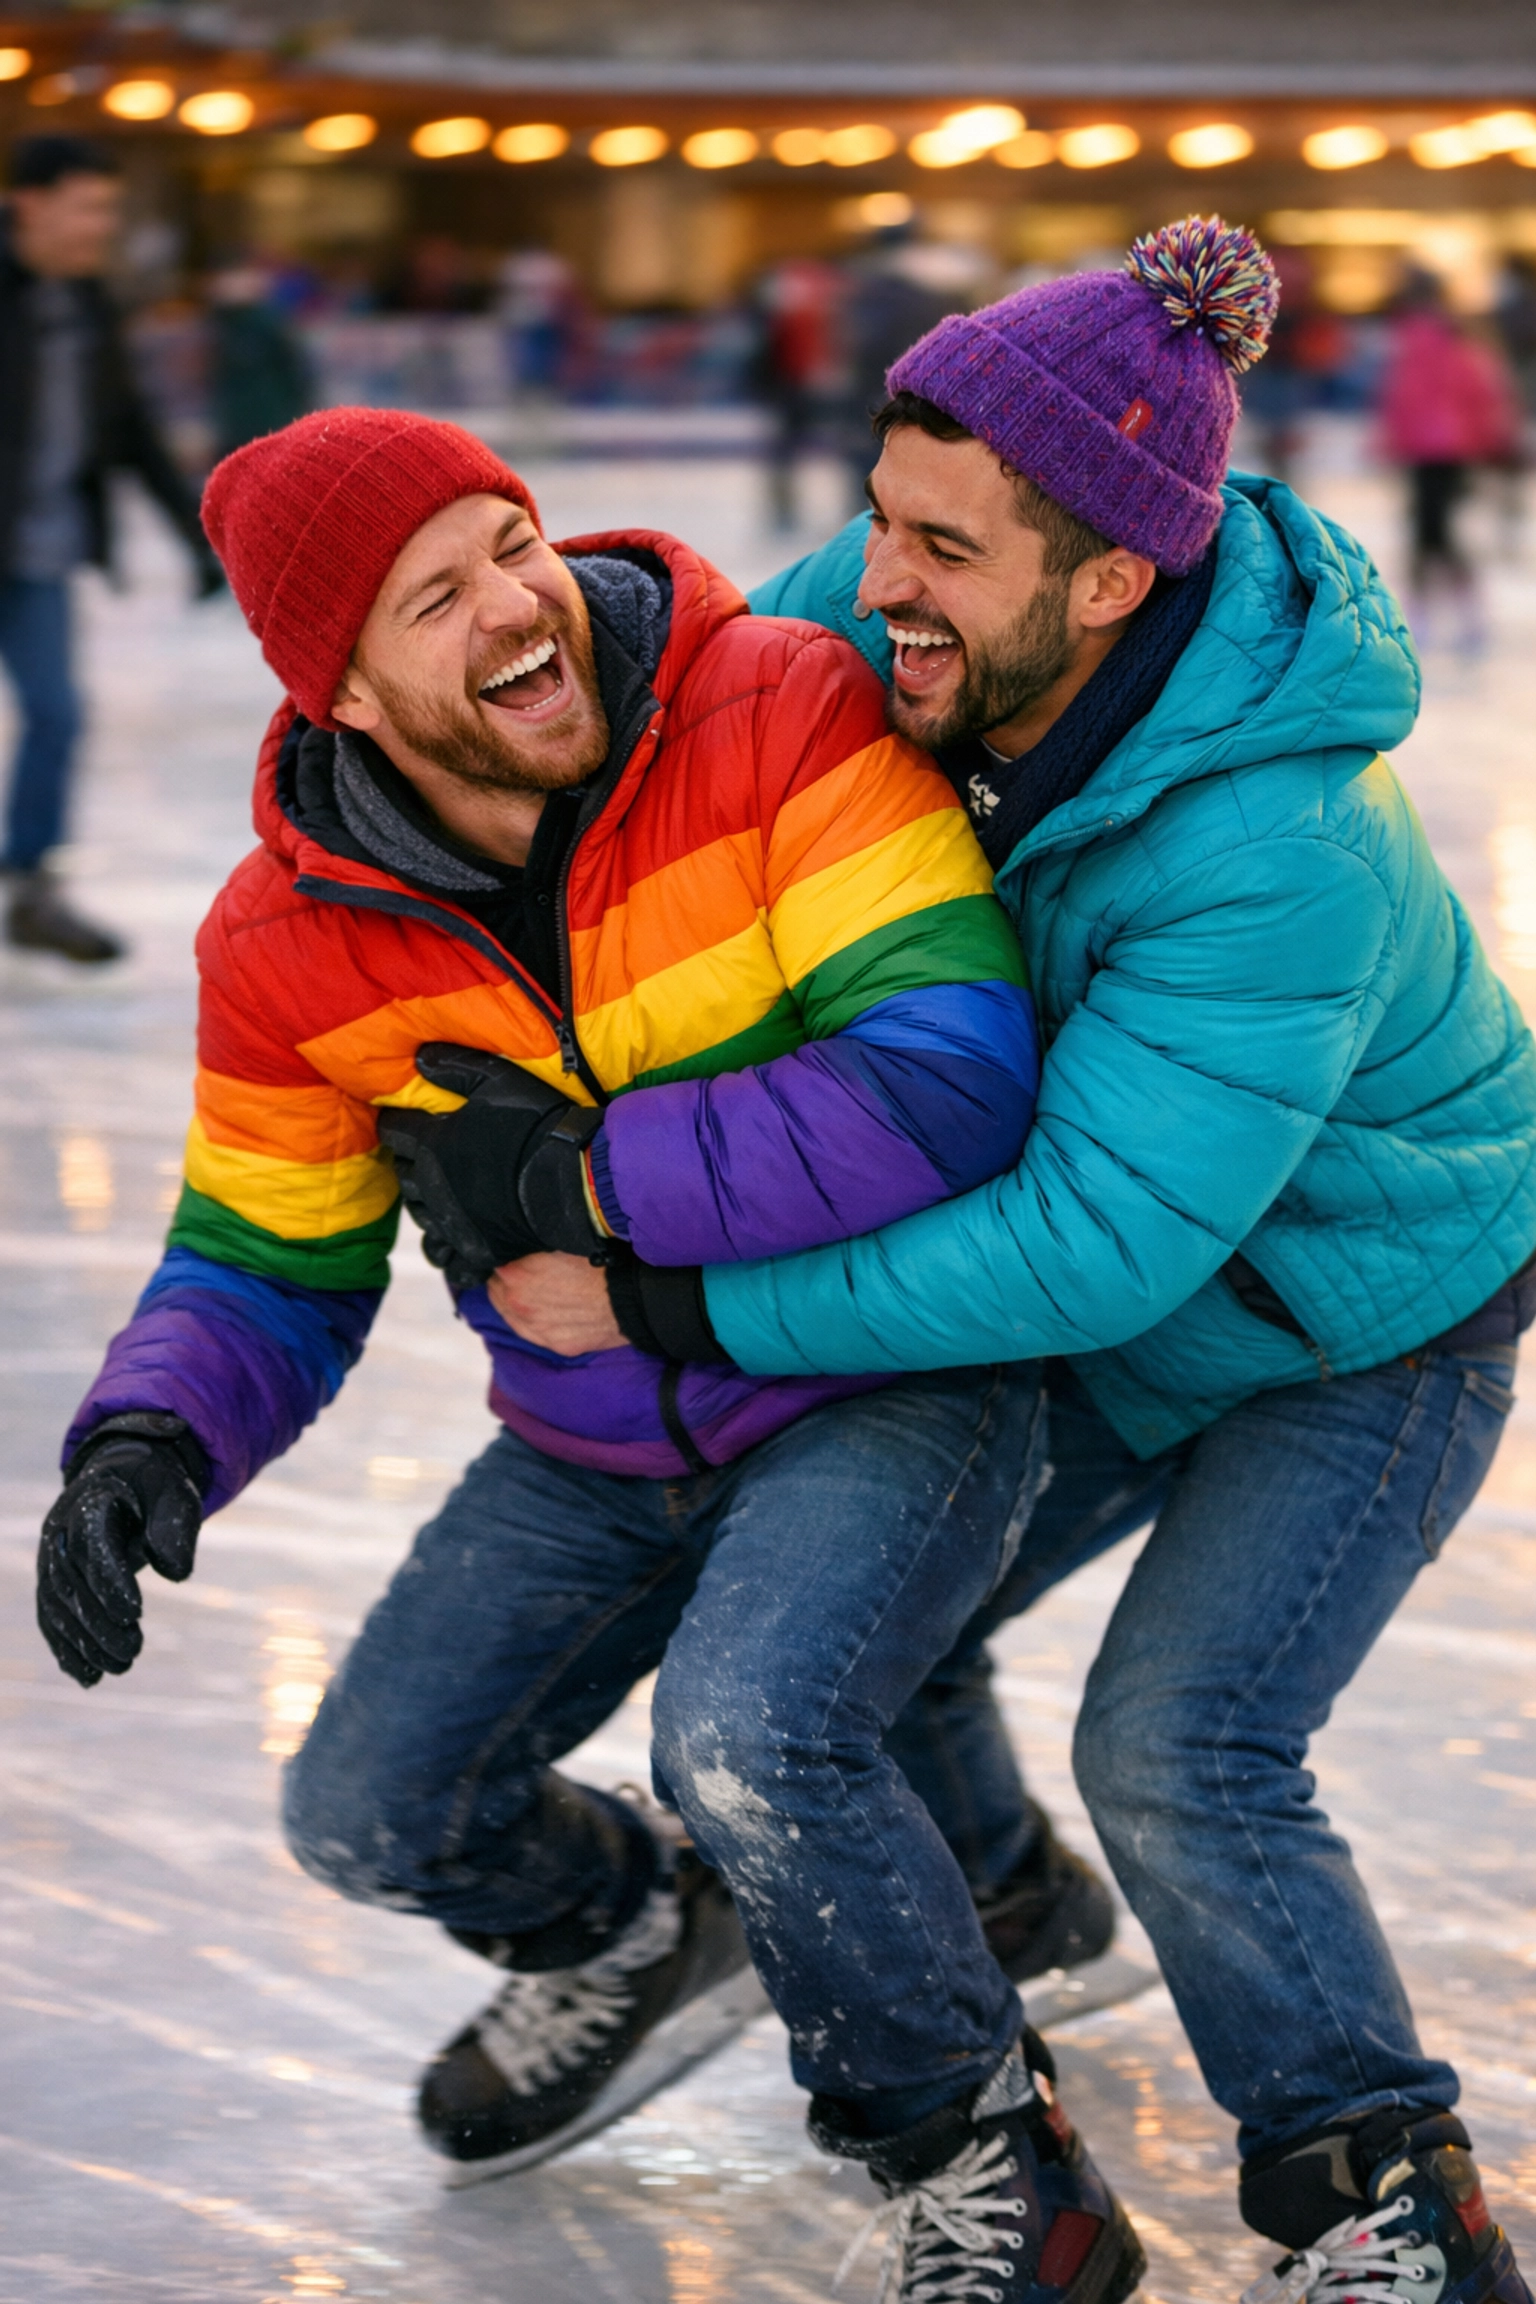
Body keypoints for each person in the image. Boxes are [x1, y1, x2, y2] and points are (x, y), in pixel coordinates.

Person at [499, 218, 1536, 2304]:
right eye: (881, 520)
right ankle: (1009, 1911)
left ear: (1110, 579)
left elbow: (1084, 1252)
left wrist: (682, 1299)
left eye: (941, 548)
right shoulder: (898, 626)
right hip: (1139, 1276)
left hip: (1360, 1320)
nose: (877, 580)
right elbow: (691, 678)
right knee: (879, 1635)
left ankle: (1386, 2192)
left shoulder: (1275, 848)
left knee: (1180, 1743)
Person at [35, 405, 1147, 2301]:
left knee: (754, 1731)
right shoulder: (289, 939)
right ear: (352, 694)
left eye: (511, 541)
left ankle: (981, 2154)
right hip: (588, 1430)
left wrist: (573, 1174)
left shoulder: (779, 708)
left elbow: (949, 1080)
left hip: (876, 1378)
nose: (513, 602)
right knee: (367, 1803)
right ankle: (643, 1919)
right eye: (434, 594)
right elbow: (264, 1250)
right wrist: (151, 1428)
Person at [0, 134, 224, 962]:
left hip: (39, 553)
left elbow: (130, 429)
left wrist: (199, 533)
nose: (103, 225)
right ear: (30, 201)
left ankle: (31, 884)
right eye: (89, 206)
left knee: (57, 712)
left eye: (109, 208)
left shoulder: (89, 302)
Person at [1377, 270, 1520, 654]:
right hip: (1450, 452)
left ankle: (1432, 613)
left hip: (1432, 452)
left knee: (1431, 535)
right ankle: (1453, 611)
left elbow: (1402, 399)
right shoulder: (1460, 341)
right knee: (1433, 535)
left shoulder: (1414, 343)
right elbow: (1482, 397)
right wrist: (1492, 441)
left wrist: (1390, 440)